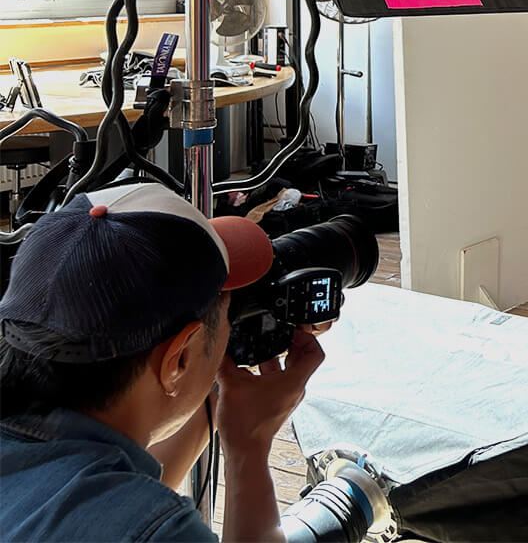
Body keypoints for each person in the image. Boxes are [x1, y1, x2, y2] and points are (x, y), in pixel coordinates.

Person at [0, 182, 325, 542]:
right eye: (227, 311)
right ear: (179, 356)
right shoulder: (160, 532)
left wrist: (214, 363)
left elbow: (105, 503)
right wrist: (249, 446)